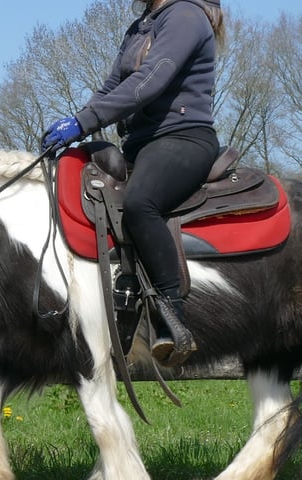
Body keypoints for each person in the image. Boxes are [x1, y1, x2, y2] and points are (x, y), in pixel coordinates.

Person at [42, 0, 224, 367]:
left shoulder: (185, 15)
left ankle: (172, 318)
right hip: (140, 144)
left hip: (184, 139)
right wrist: (77, 123)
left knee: (141, 203)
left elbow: (149, 82)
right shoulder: (142, 25)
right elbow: (113, 86)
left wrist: (86, 120)